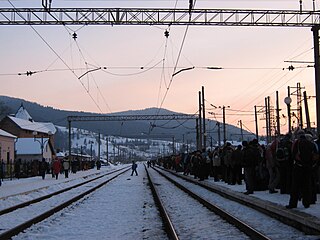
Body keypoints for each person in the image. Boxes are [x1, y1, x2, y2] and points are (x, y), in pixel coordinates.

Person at [286, 130, 315, 209]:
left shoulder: (297, 143)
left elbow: (293, 154)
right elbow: (315, 155)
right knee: (307, 185)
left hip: (298, 167)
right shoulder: (311, 144)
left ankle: (293, 203)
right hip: (308, 167)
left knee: (295, 186)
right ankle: (306, 203)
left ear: (298, 136)